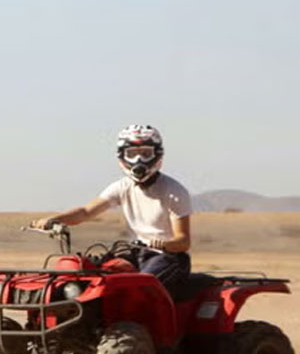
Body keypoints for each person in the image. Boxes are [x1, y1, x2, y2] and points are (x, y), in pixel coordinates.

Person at [31, 124, 193, 294]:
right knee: (92, 276)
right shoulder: (122, 186)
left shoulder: (174, 191)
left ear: (157, 154)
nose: (138, 160)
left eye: (145, 153)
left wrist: (162, 244)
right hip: (134, 254)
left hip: (167, 257)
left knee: (139, 288)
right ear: (122, 156)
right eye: (132, 154)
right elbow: (86, 212)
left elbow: (183, 241)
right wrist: (55, 219)